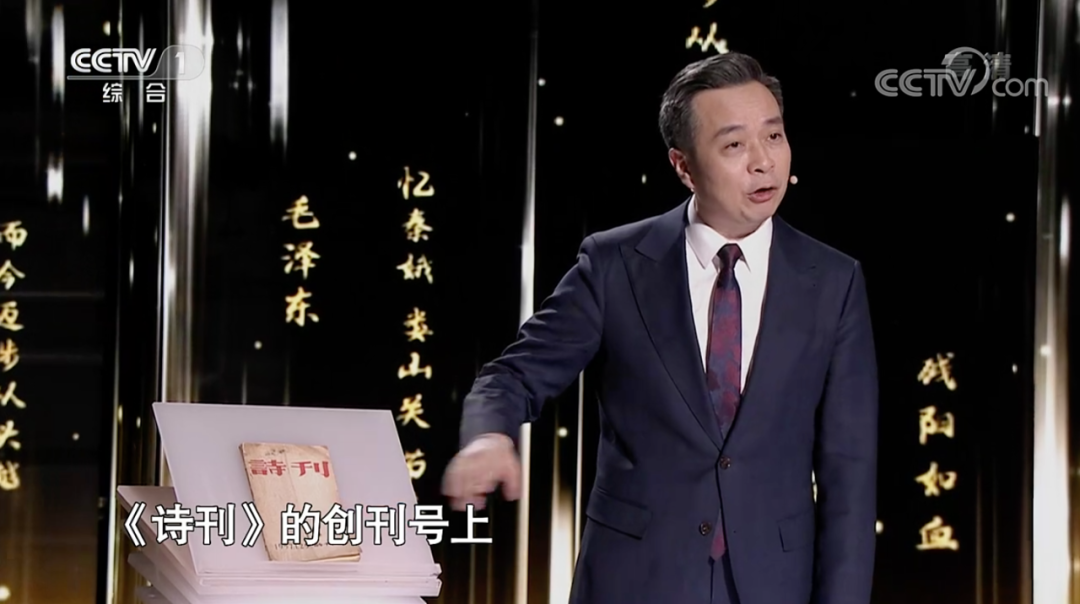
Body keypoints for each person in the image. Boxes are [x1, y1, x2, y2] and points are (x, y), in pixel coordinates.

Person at [442, 52, 878, 604]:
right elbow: (514, 375)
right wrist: (489, 436)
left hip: (774, 581)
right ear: (683, 166)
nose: (763, 162)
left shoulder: (833, 281)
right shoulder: (615, 265)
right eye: (735, 145)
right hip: (636, 578)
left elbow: (849, 473)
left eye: (774, 136)